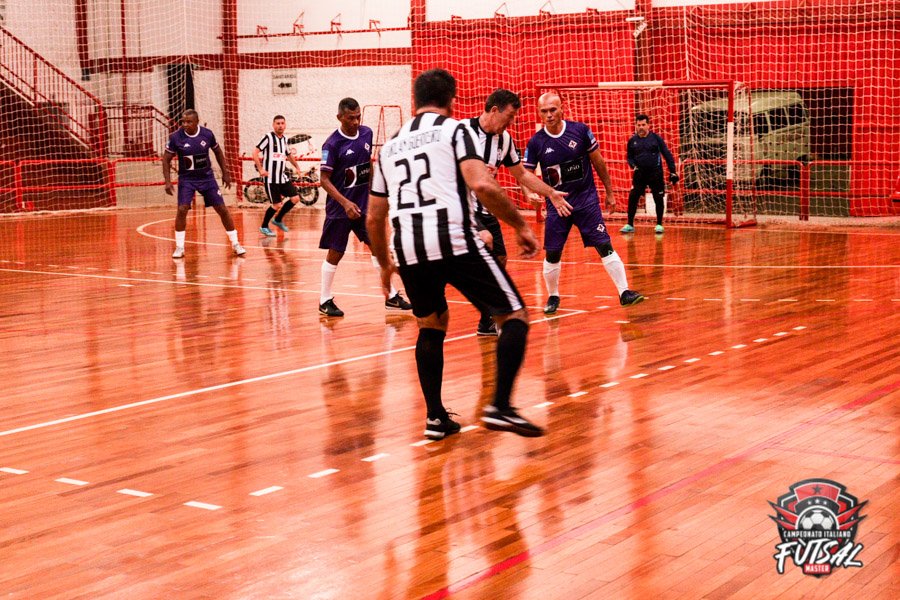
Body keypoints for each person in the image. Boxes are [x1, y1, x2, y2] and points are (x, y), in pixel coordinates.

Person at [367, 68, 544, 440]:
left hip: (408, 247)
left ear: (416, 99)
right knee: (514, 313)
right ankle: (500, 406)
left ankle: (435, 418)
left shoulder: (390, 145)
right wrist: (521, 226)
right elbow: (482, 184)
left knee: (431, 326)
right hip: (452, 238)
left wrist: (384, 264)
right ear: (451, 100)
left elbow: (374, 216)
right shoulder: (455, 130)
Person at [523, 93, 643, 314]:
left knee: (604, 245)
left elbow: (598, 160)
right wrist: (529, 193)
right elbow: (525, 174)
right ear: (538, 113)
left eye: (553, 110)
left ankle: (624, 292)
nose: (549, 115)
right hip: (557, 205)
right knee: (553, 253)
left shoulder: (579, 131)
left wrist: (609, 192)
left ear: (562, 109)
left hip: (586, 200)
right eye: (544, 111)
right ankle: (553, 296)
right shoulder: (536, 142)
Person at [466, 89, 569, 336]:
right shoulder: (462, 132)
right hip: (461, 207)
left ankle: (486, 321)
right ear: (494, 110)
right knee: (485, 243)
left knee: (501, 258)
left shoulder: (504, 140)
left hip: (486, 208)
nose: (512, 122)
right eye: (510, 116)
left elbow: (521, 173)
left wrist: (550, 193)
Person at [318, 97, 411, 317]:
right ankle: (324, 300)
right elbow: (323, 180)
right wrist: (345, 202)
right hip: (340, 209)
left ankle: (391, 297)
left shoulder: (367, 133)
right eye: (350, 118)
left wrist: (376, 192)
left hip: (363, 206)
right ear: (339, 117)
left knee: (378, 248)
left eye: (358, 117)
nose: (355, 122)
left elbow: (367, 163)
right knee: (336, 252)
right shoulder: (331, 144)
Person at [163, 109, 245, 258]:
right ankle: (180, 247)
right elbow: (166, 159)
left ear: (197, 122)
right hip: (187, 179)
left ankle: (235, 243)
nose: (185, 124)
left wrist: (225, 173)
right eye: (183, 121)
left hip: (207, 178)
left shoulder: (207, 134)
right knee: (182, 209)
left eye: (189, 122)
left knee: (222, 209)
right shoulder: (176, 137)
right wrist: (167, 182)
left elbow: (218, 152)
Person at [622, 114, 678, 234]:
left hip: (655, 173)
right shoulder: (632, 141)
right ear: (636, 126)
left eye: (643, 125)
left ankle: (659, 224)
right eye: (639, 125)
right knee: (633, 197)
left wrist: (673, 171)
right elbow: (629, 157)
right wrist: (633, 166)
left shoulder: (656, 138)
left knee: (658, 198)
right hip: (639, 174)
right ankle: (630, 224)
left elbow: (667, 154)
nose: (641, 127)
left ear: (648, 125)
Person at [253, 115, 305, 236]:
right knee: (277, 205)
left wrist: (297, 167)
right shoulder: (268, 137)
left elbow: (289, 155)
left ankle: (278, 219)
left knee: (295, 198)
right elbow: (255, 152)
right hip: (271, 178)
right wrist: (260, 169)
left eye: (282, 123)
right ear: (273, 125)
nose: (280, 126)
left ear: (285, 125)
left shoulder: (285, 139)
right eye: (278, 123)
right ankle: (264, 226)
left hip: (282, 177)